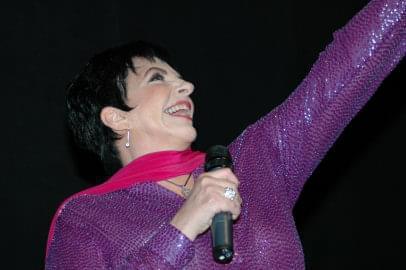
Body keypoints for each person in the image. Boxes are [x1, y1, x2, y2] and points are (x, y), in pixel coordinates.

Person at [45, 0, 405, 269]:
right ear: (116, 117)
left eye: (180, 77)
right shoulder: (85, 218)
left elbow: (342, 74)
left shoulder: (252, 163)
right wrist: (182, 227)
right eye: (158, 78)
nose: (186, 85)